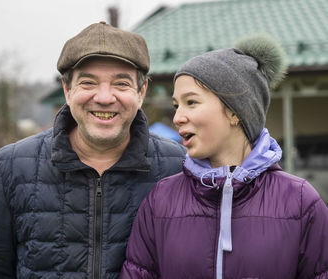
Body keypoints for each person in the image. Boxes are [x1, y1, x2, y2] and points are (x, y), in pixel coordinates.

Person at [0, 22, 186, 278]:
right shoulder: (8, 168)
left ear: (141, 92)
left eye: (121, 84)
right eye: (88, 83)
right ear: (67, 90)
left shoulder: (179, 168)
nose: (105, 97)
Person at [120, 35, 328, 279]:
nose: (177, 117)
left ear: (234, 112)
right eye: (177, 105)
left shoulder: (302, 202)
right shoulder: (160, 200)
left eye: (191, 102)